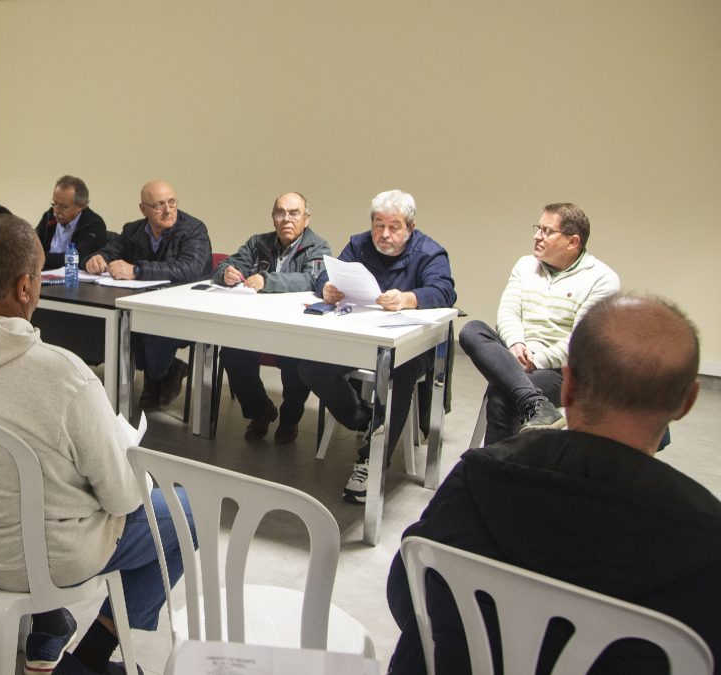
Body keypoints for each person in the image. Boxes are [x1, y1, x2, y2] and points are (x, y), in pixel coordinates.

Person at [0, 214, 196, 675]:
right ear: (24, 288)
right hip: (42, 562)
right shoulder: (62, 377)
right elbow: (124, 496)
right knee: (183, 510)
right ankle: (91, 659)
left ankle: (48, 625)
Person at [386, 295, 718, 675]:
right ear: (686, 403)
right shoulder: (706, 535)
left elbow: (406, 594)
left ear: (568, 385)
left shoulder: (479, 476)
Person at [297, 190, 456, 503]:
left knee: (397, 376)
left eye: (394, 227)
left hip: (413, 344)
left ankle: (372, 459)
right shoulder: (359, 244)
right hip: (360, 335)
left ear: (410, 228)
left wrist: (409, 299)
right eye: (378, 225)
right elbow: (327, 277)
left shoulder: (429, 252)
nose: (384, 234)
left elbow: (445, 292)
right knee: (309, 366)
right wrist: (326, 288)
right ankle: (365, 419)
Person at [459, 203, 619, 445]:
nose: (537, 236)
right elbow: (508, 312)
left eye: (547, 231)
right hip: (519, 354)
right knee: (472, 329)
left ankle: (495, 473)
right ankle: (535, 402)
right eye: (538, 228)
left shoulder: (602, 279)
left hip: (564, 369)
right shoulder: (525, 265)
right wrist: (515, 344)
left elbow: (581, 341)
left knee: (503, 395)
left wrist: (535, 361)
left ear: (572, 241)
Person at [213, 192, 331, 443]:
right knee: (232, 354)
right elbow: (228, 264)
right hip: (256, 322)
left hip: (295, 327)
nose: (286, 219)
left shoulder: (318, 246)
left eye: (294, 213)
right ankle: (261, 411)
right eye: (280, 212)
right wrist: (226, 273)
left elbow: (311, 279)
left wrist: (268, 280)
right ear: (273, 217)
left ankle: (289, 420)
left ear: (306, 218)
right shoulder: (258, 242)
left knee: (294, 364)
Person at [85, 181, 213, 410]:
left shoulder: (194, 230)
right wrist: (97, 259)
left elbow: (189, 269)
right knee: (122, 329)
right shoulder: (132, 230)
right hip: (143, 304)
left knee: (154, 330)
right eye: (159, 205)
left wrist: (136, 270)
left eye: (172, 203)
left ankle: (156, 378)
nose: (168, 210)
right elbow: (109, 251)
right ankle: (167, 369)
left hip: (185, 309)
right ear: (143, 209)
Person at [34, 175, 108, 271]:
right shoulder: (49, 217)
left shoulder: (94, 224)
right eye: (54, 204)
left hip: (75, 278)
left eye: (63, 206)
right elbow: (33, 247)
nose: (56, 210)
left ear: (80, 206)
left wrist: (40, 258)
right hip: (45, 275)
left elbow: (77, 258)